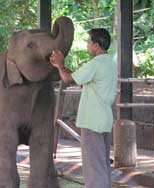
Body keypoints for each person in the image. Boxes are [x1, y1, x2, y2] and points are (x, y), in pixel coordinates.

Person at [50, 28, 117, 188]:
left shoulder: (96, 63)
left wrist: (60, 64)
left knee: (93, 167)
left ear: (96, 44)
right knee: (102, 165)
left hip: (92, 121)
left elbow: (67, 78)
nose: (87, 45)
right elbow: (82, 80)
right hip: (105, 120)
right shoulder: (110, 63)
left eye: (88, 42)